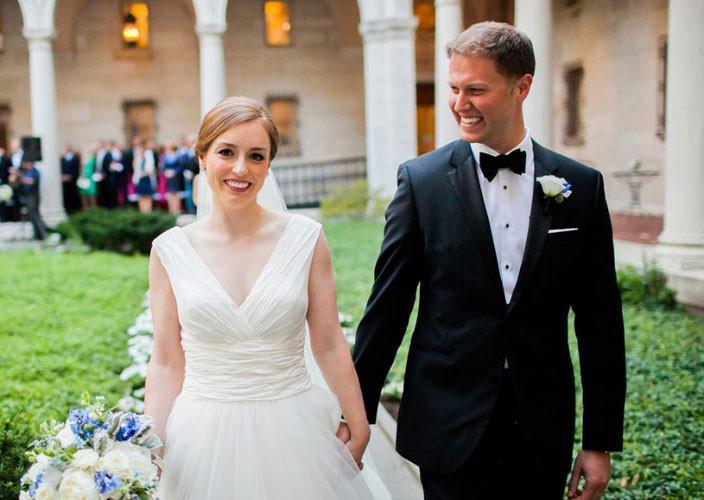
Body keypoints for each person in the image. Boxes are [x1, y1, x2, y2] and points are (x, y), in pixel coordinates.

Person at [352, 22, 626, 500]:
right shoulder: (422, 183)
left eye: (476, 89)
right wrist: (357, 414)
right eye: (454, 88)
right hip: (446, 421)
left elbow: (600, 322)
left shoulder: (582, 187)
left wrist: (600, 441)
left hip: (541, 427)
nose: (460, 103)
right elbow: (388, 307)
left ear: (522, 87)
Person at [144, 97, 389, 499]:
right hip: (201, 435)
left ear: (269, 165)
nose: (241, 168)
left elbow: (328, 342)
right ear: (202, 157)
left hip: (296, 427)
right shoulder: (170, 250)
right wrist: (150, 443)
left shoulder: (305, 238)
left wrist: (358, 420)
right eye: (227, 152)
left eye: (256, 156)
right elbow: (168, 360)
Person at [17, 161, 47, 241]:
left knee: (35, 214)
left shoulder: (35, 171)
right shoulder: (26, 172)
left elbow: (32, 181)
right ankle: (37, 234)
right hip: (27, 195)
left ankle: (42, 234)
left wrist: (21, 177)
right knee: (31, 215)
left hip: (33, 195)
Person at [60, 145, 82, 214]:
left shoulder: (76, 158)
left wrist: (70, 176)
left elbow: (77, 170)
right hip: (64, 182)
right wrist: (63, 176)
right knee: (66, 196)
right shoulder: (62, 159)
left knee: (74, 196)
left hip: (73, 181)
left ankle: (75, 210)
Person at [78, 143, 98, 208]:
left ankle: (93, 209)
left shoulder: (94, 160)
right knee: (84, 196)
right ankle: (86, 209)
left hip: (91, 179)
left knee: (92, 195)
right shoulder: (87, 161)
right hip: (84, 180)